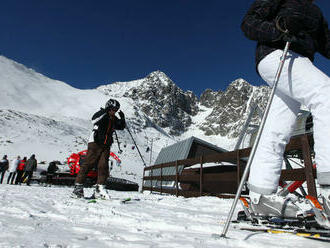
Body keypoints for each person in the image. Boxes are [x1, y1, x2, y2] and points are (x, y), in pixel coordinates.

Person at [241, 0, 330, 226]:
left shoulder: (316, 11)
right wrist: (278, 29)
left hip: (299, 63)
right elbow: (249, 23)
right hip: (276, 54)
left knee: (278, 126)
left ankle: (262, 194)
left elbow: (326, 44)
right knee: (325, 94)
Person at [72, 99, 126, 199]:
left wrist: (122, 118)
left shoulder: (113, 118)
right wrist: (105, 111)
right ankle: (78, 188)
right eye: (112, 109)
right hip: (95, 143)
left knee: (103, 166)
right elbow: (94, 120)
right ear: (108, 107)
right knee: (88, 164)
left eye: (116, 109)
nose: (114, 111)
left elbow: (121, 127)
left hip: (106, 145)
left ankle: (99, 188)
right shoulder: (102, 114)